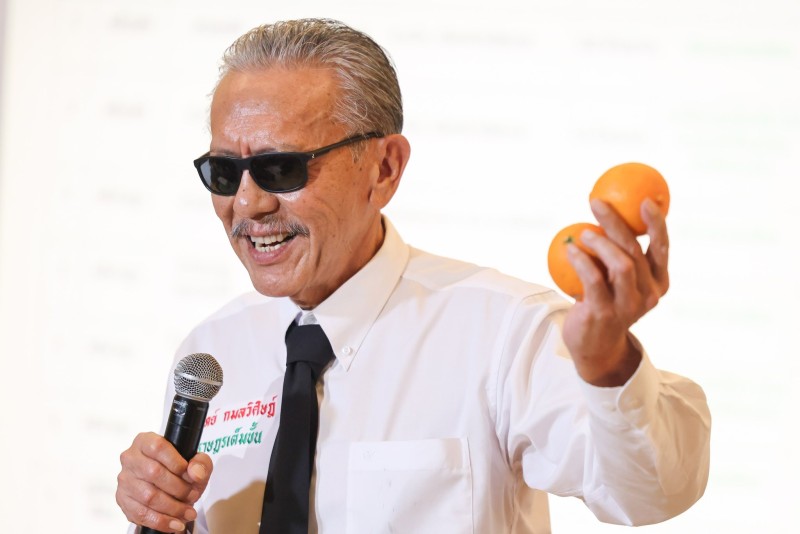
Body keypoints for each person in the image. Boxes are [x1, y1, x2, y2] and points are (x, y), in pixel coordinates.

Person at [115, 18, 711, 534]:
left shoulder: (505, 332)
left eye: (280, 168)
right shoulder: (211, 351)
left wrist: (608, 364)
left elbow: (650, 491)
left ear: (384, 167)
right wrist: (163, 512)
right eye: (223, 173)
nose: (247, 204)